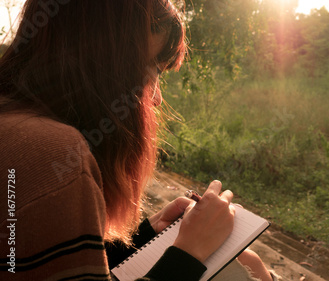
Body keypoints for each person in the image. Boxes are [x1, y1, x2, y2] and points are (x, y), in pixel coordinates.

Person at [0, 0, 280, 280]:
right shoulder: (50, 152)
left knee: (249, 260)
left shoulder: (14, 121)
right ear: (103, 64)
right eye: (153, 71)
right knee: (246, 268)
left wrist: (147, 233)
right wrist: (189, 251)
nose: (156, 98)